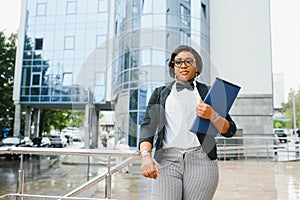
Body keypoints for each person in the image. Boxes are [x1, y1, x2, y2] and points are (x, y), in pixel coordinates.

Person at [139, 45, 237, 200]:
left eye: (188, 61)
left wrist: (213, 115)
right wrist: (145, 156)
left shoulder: (210, 92)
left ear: (197, 66)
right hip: (166, 160)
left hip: (202, 160)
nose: (183, 65)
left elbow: (230, 130)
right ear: (173, 67)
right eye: (178, 62)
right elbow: (148, 127)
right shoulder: (160, 93)